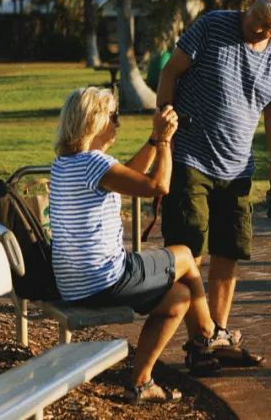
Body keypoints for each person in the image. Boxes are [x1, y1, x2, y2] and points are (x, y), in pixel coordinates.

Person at [155, 0, 271, 366]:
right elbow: (171, 71)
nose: (260, 31)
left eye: (270, 28)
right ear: (249, 3)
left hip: (237, 168)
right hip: (190, 158)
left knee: (228, 252)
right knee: (189, 251)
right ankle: (200, 342)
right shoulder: (212, 25)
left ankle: (217, 335)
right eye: (257, 21)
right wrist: (163, 117)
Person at [49, 87, 220, 404]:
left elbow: (125, 175)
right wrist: (166, 140)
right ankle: (208, 334)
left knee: (180, 296)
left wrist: (153, 141)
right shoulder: (95, 165)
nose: (118, 123)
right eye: (114, 116)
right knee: (184, 254)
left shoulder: (66, 163)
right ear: (95, 121)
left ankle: (140, 382)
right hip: (105, 280)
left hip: (74, 284)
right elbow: (159, 185)